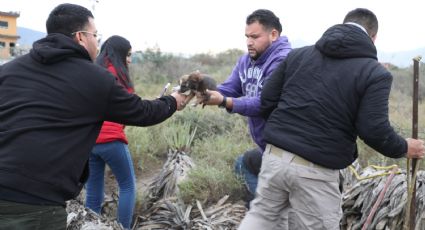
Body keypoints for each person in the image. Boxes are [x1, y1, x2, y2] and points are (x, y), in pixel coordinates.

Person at [0, 3, 186, 230]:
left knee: (94, 188)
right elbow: (142, 112)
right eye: (95, 35)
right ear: (80, 37)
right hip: (35, 204)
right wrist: (173, 101)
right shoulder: (95, 78)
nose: (97, 43)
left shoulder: (9, 71)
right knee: (127, 184)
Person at [238, 8, 425, 229]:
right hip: (315, 170)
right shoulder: (375, 73)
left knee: (260, 218)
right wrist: (404, 147)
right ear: (373, 37)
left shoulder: (297, 55)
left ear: (342, 25)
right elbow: (373, 130)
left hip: (274, 158)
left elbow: (267, 100)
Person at [200, 9, 292, 207]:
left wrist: (225, 102)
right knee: (243, 164)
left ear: (273, 35)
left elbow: (264, 103)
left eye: (255, 37)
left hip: (287, 149)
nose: (249, 42)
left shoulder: (283, 61)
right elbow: (229, 88)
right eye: (247, 37)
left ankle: (265, 209)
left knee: (253, 175)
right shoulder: (246, 60)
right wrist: (202, 88)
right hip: (267, 146)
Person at [84, 35, 137, 229]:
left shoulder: (95, 71)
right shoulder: (117, 74)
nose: (129, 60)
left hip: (90, 141)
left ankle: (89, 226)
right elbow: (130, 107)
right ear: (120, 53)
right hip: (112, 139)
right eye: (128, 55)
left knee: (92, 191)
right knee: (128, 187)